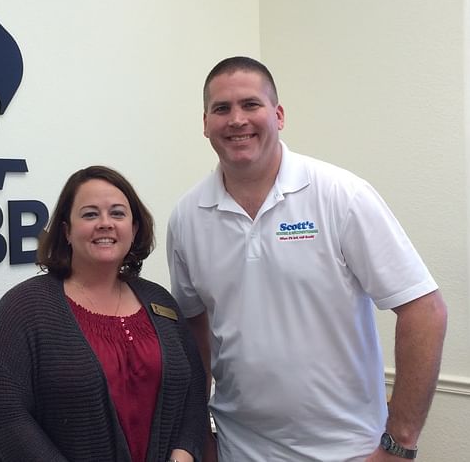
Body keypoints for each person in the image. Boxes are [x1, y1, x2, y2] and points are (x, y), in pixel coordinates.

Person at [166, 56, 447, 461]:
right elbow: (194, 332)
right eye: (222, 108)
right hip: (237, 447)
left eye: (251, 104)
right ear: (206, 123)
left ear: (278, 115)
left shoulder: (340, 196)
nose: (237, 120)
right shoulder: (187, 217)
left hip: (349, 450)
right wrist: (199, 436)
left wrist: (399, 442)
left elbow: (425, 310)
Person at [0, 165, 208, 462]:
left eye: (118, 213)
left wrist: (184, 453)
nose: (105, 224)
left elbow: (193, 388)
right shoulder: (23, 308)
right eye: (90, 214)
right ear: (66, 231)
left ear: (134, 229)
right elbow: (1, 414)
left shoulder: (160, 302)